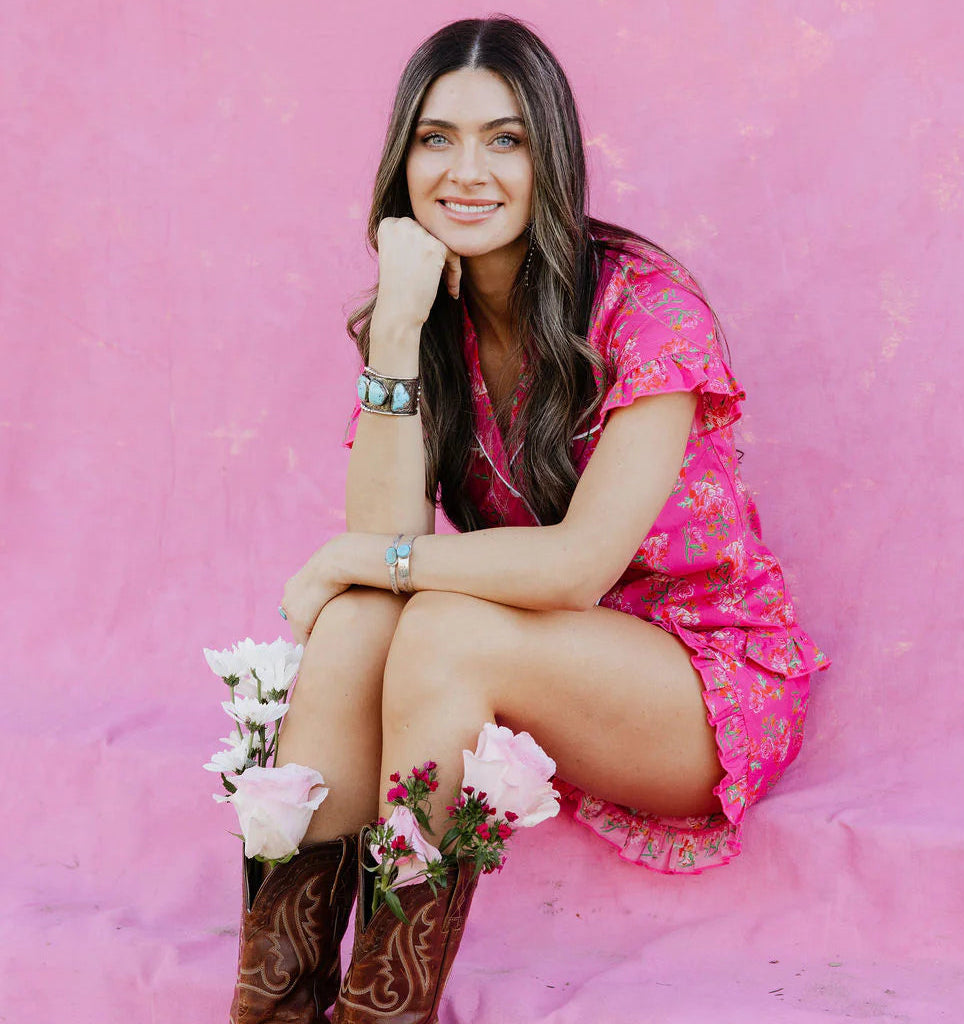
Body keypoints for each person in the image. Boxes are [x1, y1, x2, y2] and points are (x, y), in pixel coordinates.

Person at [227, 14, 830, 1024]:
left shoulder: (648, 310)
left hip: (697, 680)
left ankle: (384, 1012)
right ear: (402, 158)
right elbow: (381, 551)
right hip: (537, 649)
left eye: (503, 139)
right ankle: (278, 1008)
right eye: (437, 138)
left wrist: (351, 556)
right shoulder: (435, 311)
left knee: (437, 624)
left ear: (550, 156)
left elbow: (576, 568)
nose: (467, 172)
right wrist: (397, 330)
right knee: (361, 621)